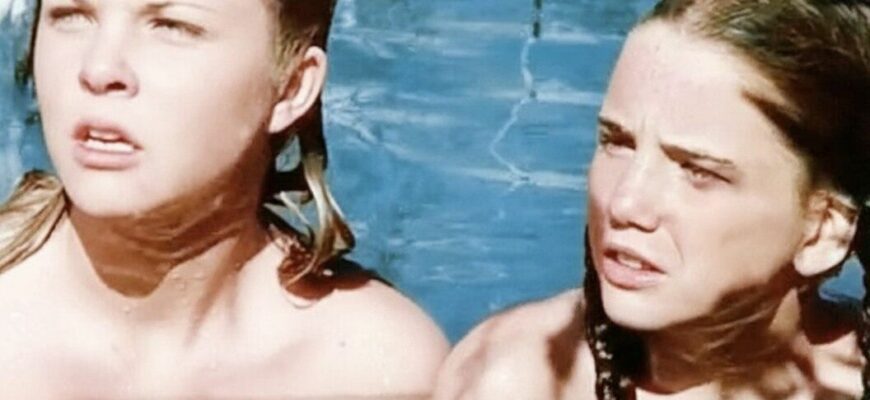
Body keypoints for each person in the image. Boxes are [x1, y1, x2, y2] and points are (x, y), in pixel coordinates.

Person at [0, 0, 448, 398]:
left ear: (292, 86)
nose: (98, 69)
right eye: (71, 15)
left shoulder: (377, 368)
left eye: (172, 25)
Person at [435, 0, 870, 398]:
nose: (623, 204)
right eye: (616, 142)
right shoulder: (515, 380)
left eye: (698, 171)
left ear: (823, 231)